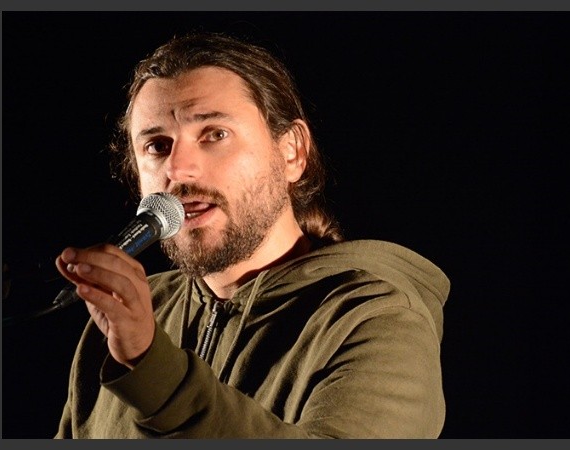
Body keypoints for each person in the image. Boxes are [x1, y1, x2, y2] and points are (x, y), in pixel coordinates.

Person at [52, 31, 450, 438]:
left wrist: (152, 369)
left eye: (215, 134)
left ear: (292, 152)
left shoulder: (375, 316)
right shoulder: (130, 315)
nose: (179, 169)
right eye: (157, 145)